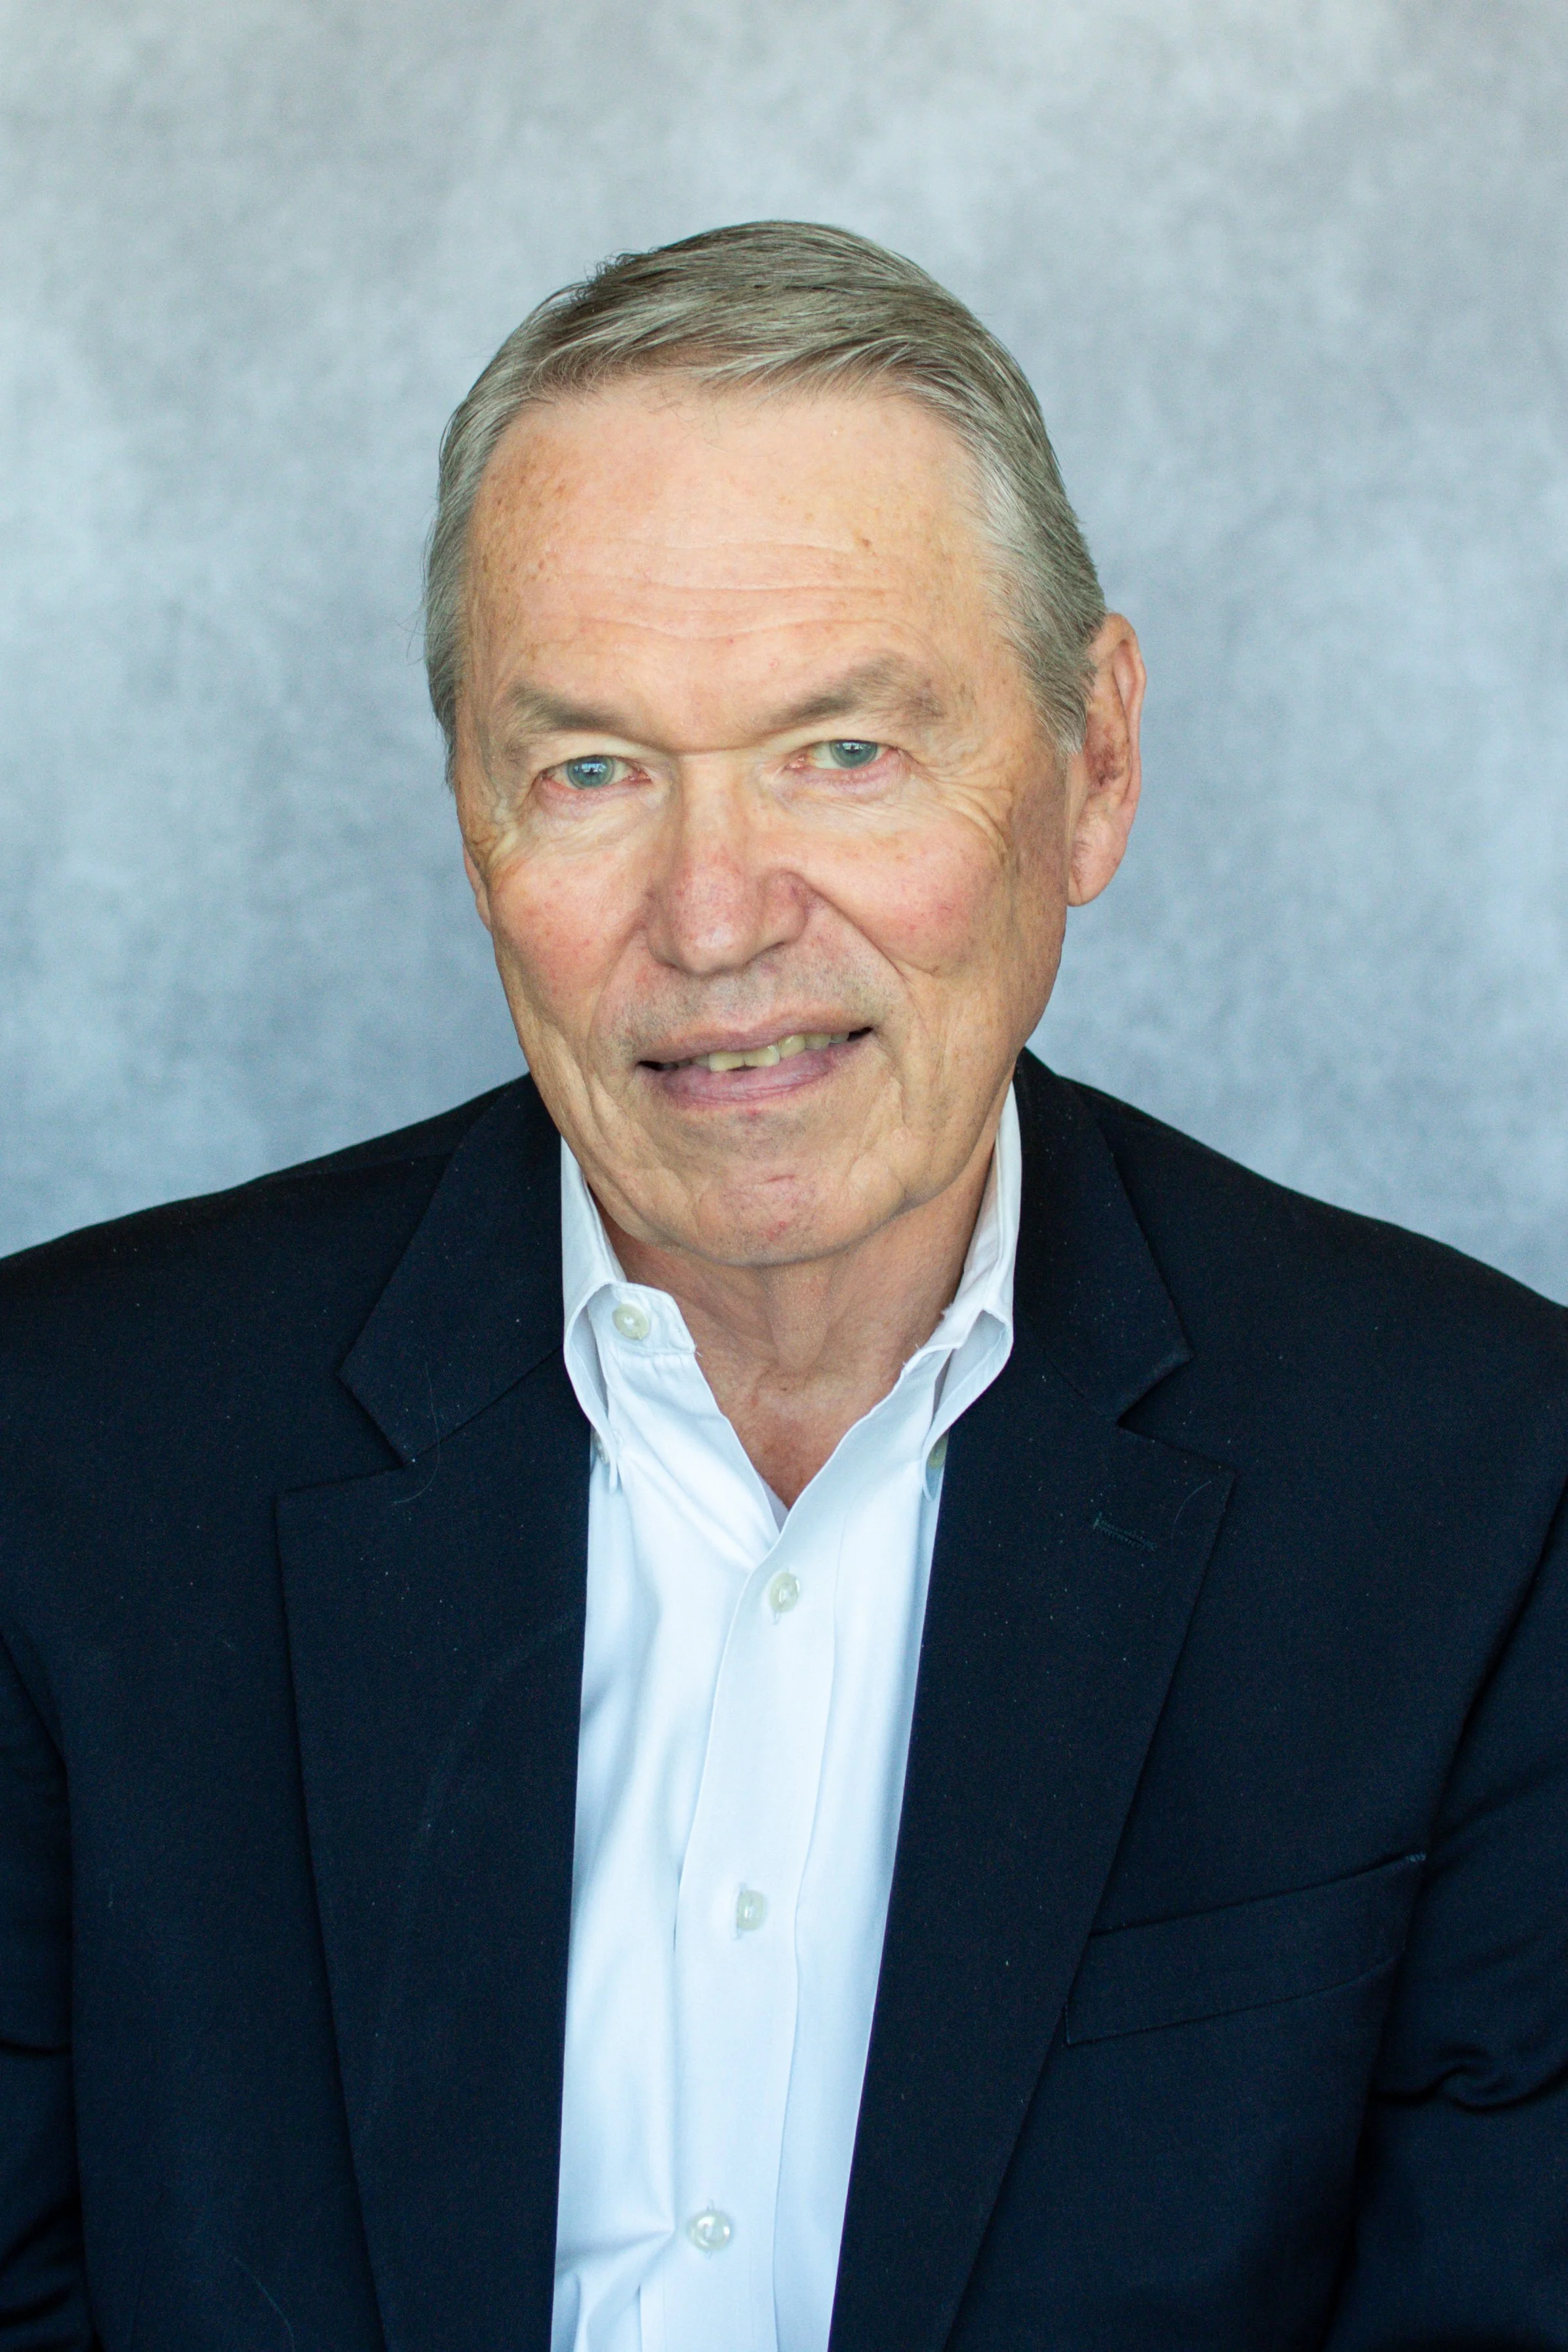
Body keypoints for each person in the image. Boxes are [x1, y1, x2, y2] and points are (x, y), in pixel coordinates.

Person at [1, 221, 1564, 2352]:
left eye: (843, 748)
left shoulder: (1477, 1491)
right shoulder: (62, 1456)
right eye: (592, 770)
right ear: (466, 805)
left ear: (1090, 759)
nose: (715, 917)